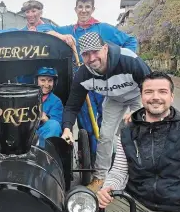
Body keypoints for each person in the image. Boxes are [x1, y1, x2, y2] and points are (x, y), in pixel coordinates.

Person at [61, 32, 151, 192]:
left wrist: (140, 112)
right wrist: (67, 128)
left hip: (140, 95)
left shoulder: (129, 60)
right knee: (106, 135)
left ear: (105, 48)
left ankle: (143, 175)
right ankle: (100, 177)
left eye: (95, 51)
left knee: (140, 131)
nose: (92, 58)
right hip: (114, 99)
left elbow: (152, 86)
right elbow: (72, 106)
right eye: (86, 54)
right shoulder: (83, 74)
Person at [97, 72, 180, 212]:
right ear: (141, 96)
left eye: (162, 92)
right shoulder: (127, 131)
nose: (155, 97)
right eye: (149, 92)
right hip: (136, 201)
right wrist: (108, 187)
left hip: (175, 209)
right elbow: (119, 170)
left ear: (172, 97)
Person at [50, 0, 138, 156]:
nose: (84, 10)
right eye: (80, 7)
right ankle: (92, 160)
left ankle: (112, 160)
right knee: (87, 126)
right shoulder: (69, 30)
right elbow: (46, 30)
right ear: (75, 9)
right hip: (83, 84)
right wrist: (61, 36)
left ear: (93, 9)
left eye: (87, 7)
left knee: (106, 124)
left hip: (104, 82)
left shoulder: (104, 29)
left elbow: (131, 41)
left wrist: (119, 65)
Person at [34, 67, 63, 147]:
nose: (46, 85)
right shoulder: (27, 97)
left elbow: (56, 125)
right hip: (27, 133)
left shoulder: (56, 101)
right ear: (36, 81)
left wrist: (44, 117)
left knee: (54, 125)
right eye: (43, 80)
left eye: (50, 81)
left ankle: (46, 155)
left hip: (43, 134)